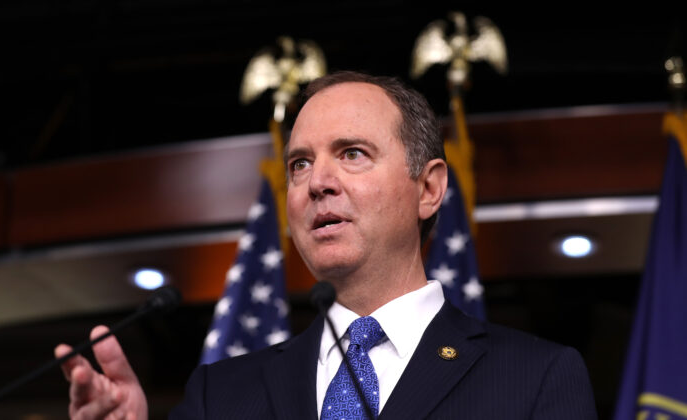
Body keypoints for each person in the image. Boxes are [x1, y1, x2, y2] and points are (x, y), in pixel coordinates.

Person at [55, 71, 598, 419]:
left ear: (428, 188)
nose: (317, 181)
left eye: (353, 153)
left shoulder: (535, 379)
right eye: (300, 163)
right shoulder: (220, 395)